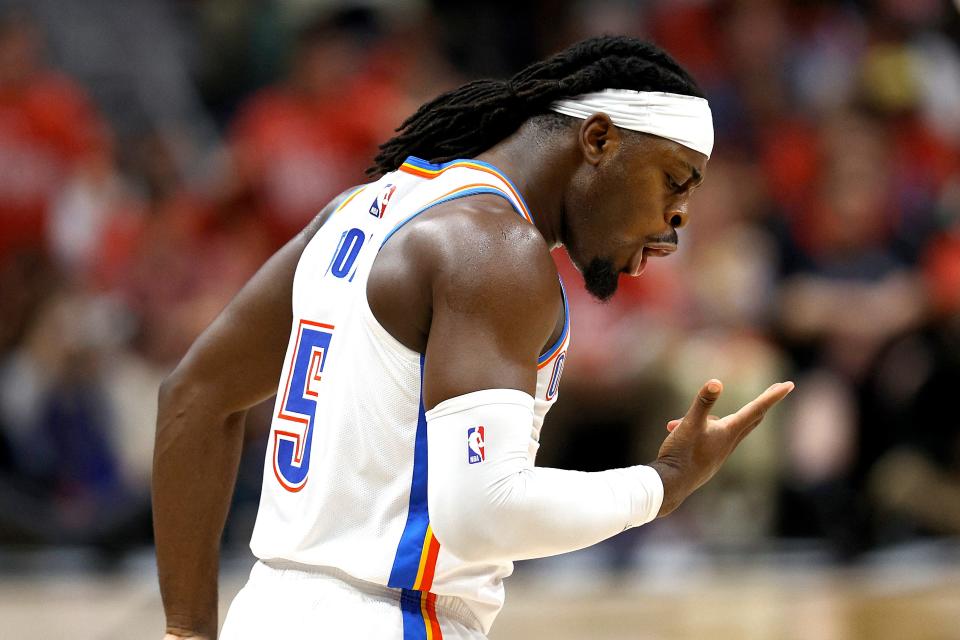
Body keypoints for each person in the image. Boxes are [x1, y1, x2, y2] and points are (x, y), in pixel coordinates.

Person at [154, 36, 793, 640]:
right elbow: (482, 510)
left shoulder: (357, 211)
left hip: (268, 611)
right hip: (390, 619)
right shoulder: (496, 248)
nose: (679, 217)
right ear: (598, 139)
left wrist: (186, 631)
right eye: (675, 181)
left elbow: (193, 397)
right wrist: (664, 484)